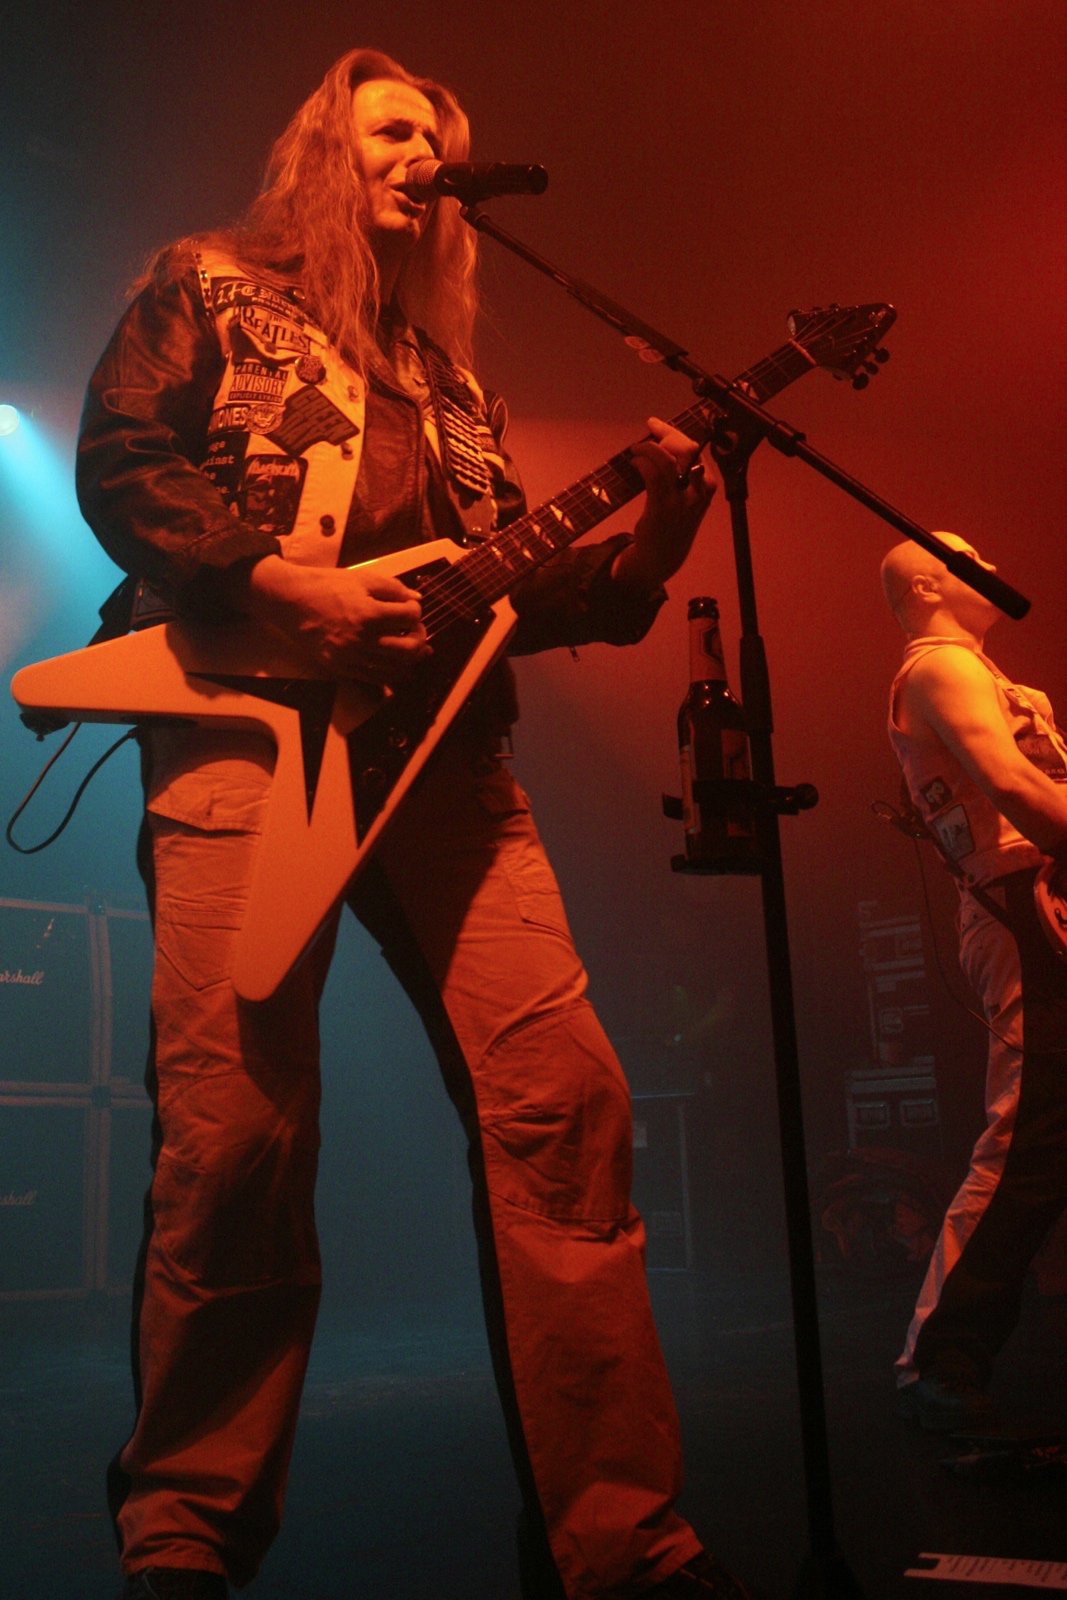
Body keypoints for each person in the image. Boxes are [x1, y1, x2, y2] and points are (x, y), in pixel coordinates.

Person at [74, 47, 757, 1600]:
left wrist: (658, 528)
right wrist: (276, 584)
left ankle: (622, 1539)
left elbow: (521, 592)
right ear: (324, 149)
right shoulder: (208, 284)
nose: (424, 159)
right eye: (394, 132)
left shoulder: (448, 385)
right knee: (236, 1134)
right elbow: (122, 457)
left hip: (447, 762)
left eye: (440, 143)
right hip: (249, 728)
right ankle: (182, 1533)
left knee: (564, 1107)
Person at [879, 531, 1067, 1431]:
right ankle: (941, 1355)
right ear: (926, 585)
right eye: (966, 560)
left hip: (1040, 891)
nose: (990, 567)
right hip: (1019, 898)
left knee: (1044, 1134)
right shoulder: (938, 665)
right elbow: (1009, 782)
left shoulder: (977, 672)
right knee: (1029, 1133)